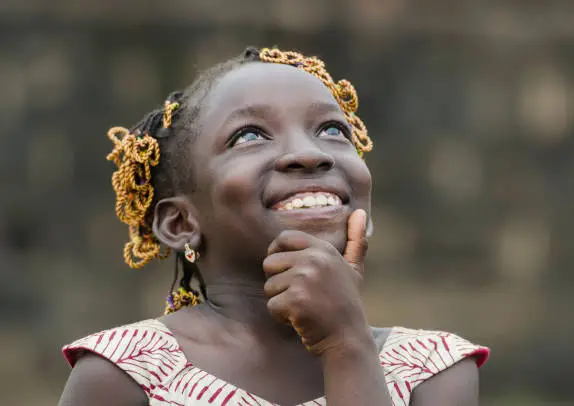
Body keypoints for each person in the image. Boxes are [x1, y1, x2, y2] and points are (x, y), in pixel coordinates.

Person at [58, 47, 489, 406]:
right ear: (179, 222)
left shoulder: (431, 370)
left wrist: (346, 346)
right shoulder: (124, 376)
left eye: (332, 129)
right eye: (249, 136)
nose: (309, 153)